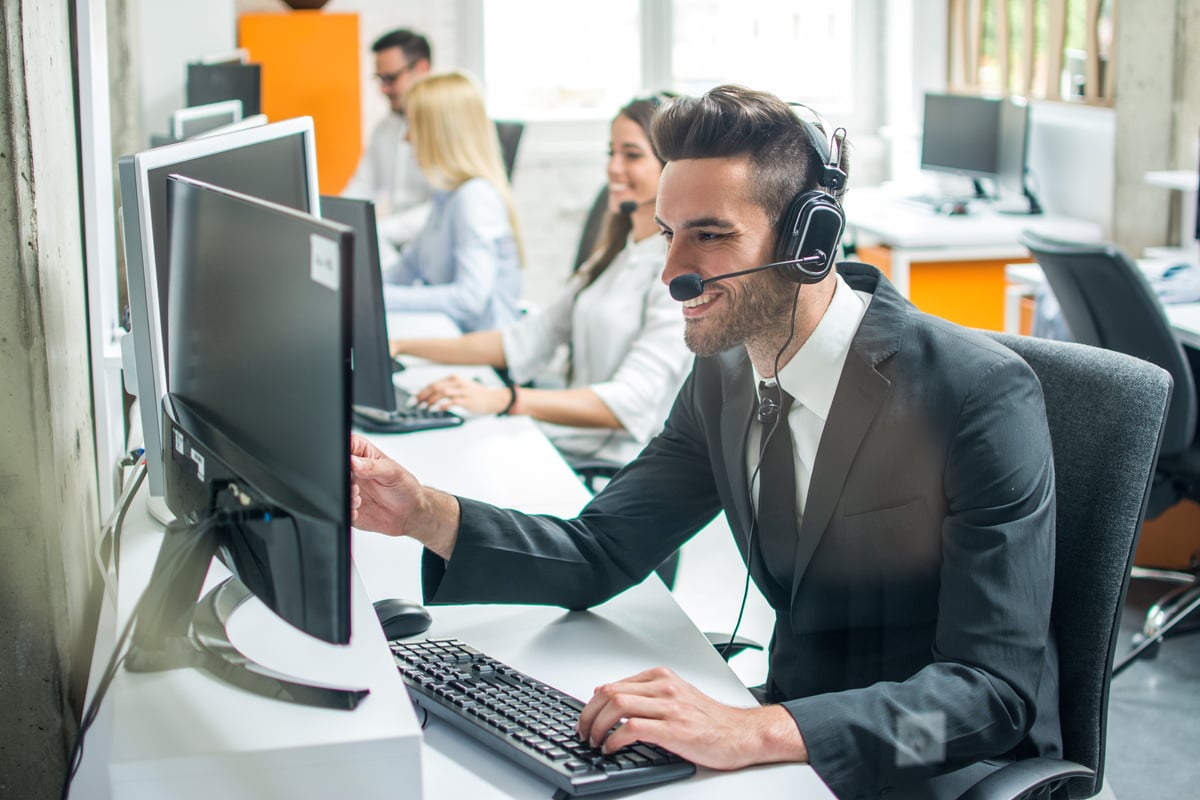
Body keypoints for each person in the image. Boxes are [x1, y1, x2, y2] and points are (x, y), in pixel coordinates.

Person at [350, 85, 1061, 800]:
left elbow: (990, 699)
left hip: (935, 764)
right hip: (787, 749)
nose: (670, 274)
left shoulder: (974, 397)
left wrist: (757, 731)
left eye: (710, 235)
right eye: (667, 233)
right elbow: (604, 549)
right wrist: (421, 512)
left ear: (808, 242)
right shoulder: (724, 376)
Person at [389, 96, 691, 466]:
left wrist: (506, 399)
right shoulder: (615, 252)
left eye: (631, 155)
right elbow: (525, 339)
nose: (613, 168)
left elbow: (630, 401)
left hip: (614, 460)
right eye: (610, 152)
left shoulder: (673, 276)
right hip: (568, 442)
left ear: (672, 169)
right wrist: (402, 346)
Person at [382, 71, 524, 332]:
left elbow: (469, 299)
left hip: (484, 359)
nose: (407, 138)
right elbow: (409, 267)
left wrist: (381, 299)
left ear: (439, 133)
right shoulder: (446, 195)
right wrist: (357, 292)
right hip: (452, 335)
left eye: (413, 126)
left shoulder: (474, 198)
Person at [342, 29, 433, 259]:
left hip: (432, 249)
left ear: (421, 69)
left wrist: (378, 230)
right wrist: (331, 219)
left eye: (391, 78)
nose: (383, 89)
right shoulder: (385, 129)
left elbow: (442, 211)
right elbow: (361, 188)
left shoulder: (444, 130)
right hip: (397, 249)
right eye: (380, 79)